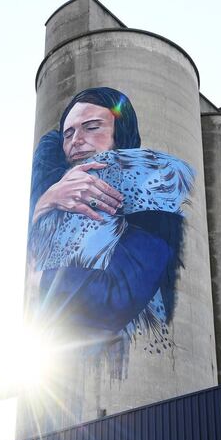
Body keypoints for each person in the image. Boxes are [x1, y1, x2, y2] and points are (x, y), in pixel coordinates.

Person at [27, 87, 193, 376]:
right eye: (69, 134)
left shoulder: (155, 202)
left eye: (92, 128)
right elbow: (48, 149)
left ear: (122, 134)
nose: (77, 141)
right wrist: (47, 199)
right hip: (48, 373)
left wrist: (39, 276)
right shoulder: (58, 190)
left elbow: (116, 298)